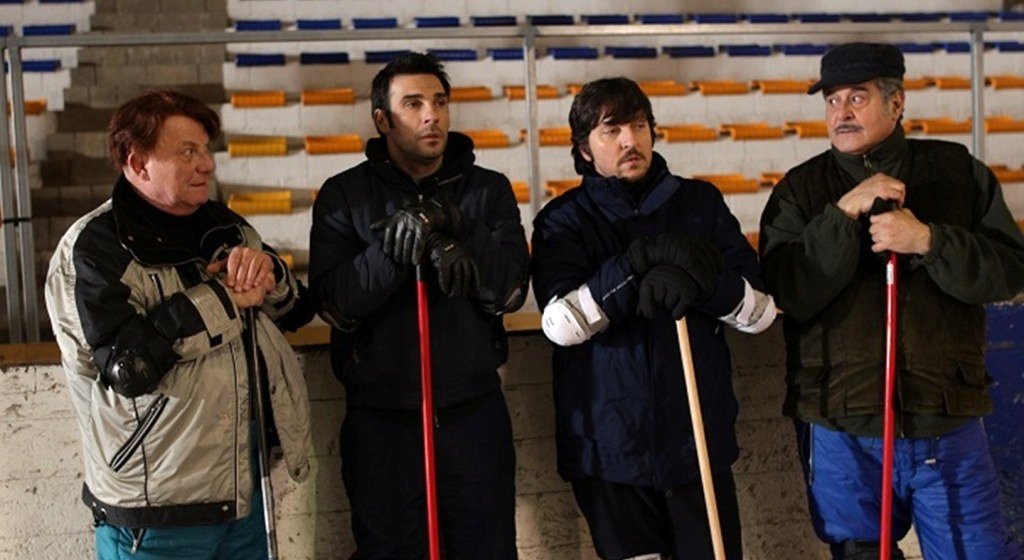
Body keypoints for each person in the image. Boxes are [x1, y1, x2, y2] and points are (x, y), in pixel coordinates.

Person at [759, 42, 1024, 560]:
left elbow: (1010, 271)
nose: (842, 112)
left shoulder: (957, 173)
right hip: (843, 426)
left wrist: (930, 241)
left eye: (857, 97)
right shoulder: (799, 191)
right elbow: (788, 291)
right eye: (832, 100)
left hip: (946, 420)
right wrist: (841, 216)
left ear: (896, 102)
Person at [44, 89, 315, 559]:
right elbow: (129, 368)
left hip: (242, 496)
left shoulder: (227, 227)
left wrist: (269, 272)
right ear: (138, 163)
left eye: (206, 150)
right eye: (187, 152)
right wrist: (222, 299)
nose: (207, 165)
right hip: (155, 512)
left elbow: (296, 312)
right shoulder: (92, 248)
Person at [530, 77, 777, 560]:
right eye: (612, 130)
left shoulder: (699, 203)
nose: (630, 140)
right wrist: (636, 263)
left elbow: (760, 314)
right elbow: (561, 325)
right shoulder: (563, 220)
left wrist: (704, 281)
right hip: (611, 453)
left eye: (639, 125)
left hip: (696, 446)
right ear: (584, 149)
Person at [308, 52, 529, 559]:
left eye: (439, 102)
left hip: (472, 413)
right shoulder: (344, 195)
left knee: (488, 550)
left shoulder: (488, 190)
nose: (432, 115)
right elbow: (337, 305)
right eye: (413, 104)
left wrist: (455, 223)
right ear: (382, 119)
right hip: (383, 422)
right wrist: (404, 246)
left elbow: (510, 292)